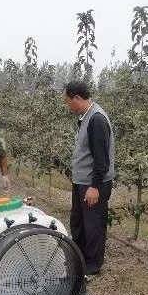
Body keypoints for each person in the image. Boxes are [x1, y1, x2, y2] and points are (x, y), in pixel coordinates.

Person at [63, 81, 115, 277]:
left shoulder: (97, 120)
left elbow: (102, 159)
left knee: (93, 225)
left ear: (77, 98)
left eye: (68, 101)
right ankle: (80, 258)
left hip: (93, 185)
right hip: (82, 182)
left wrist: (95, 187)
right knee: (79, 222)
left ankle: (93, 266)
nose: (67, 106)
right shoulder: (86, 117)